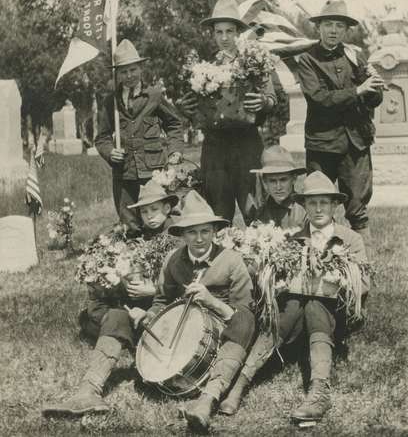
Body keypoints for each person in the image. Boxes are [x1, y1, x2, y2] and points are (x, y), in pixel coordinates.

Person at [219, 172, 369, 421]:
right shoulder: (294, 239)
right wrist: (277, 282)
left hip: (336, 315)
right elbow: (274, 277)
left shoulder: (350, 239)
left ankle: (319, 390)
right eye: (312, 203)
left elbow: (363, 283)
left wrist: (341, 281)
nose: (318, 209)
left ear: (334, 206)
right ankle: (240, 384)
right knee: (291, 304)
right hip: (292, 314)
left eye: (324, 203)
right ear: (305, 206)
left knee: (315, 306)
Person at [42, 182, 179, 418]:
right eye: (144, 212)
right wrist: (120, 280)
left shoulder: (180, 238)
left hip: (172, 318)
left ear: (167, 208)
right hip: (141, 315)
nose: (149, 216)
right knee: (115, 316)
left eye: (154, 209)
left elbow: (191, 287)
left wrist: (153, 290)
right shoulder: (139, 238)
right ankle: (88, 391)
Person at [141, 190, 256, 434]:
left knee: (246, 320)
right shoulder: (173, 260)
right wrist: (151, 317)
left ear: (215, 232)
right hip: (186, 330)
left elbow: (243, 311)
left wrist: (211, 301)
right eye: (192, 232)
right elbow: (161, 300)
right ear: (182, 234)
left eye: (205, 231)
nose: (199, 238)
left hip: (226, 327)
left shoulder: (231, 260)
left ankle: (207, 400)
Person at [179, 0, 278, 223]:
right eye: (219, 32)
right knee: (218, 214)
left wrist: (264, 102)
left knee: (254, 210)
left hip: (246, 145)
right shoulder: (203, 69)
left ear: (238, 33)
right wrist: (186, 109)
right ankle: (222, 258)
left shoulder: (254, 63)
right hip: (215, 149)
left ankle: (258, 254)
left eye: (229, 31)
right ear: (213, 34)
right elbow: (195, 109)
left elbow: (273, 98)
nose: (224, 38)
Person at [296, 0, 384, 253]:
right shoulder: (308, 59)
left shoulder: (355, 55)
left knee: (357, 208)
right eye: (328, 24)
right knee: (316, 204)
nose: (333, 30)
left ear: (346, 30)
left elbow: (374, 99)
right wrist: (358, 90)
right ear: (318, 28)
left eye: (339, 26)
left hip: (356, 142)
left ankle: (362, 271)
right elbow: (319, 99)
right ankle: (310, 264)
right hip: (322, 144)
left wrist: (374, 87)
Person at [95, 39, 184, 232]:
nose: (129, 76)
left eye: (133, 70)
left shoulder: (154, 95)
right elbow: (101, 137)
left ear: (141, 68)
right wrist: (110, 152)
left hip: (154, 172)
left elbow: (175, 123)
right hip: (124, 173)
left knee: (158, 218)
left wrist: (175, 151)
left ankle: (165, 255)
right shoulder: (110, 102)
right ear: (117, 74)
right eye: (123, 71)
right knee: (130, 223)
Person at [246, 144, 307, 228]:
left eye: (283, 180)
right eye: (272, 181)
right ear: (265, 182)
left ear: (294, 179)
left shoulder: (304, 211)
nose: (278, 187)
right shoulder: (261, 213)